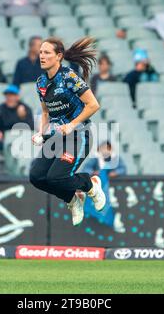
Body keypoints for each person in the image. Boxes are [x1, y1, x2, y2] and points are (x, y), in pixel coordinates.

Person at [29, 37, 107, 227]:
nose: (42, 56)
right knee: (37, 177)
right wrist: (40, 132)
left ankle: (90, 184)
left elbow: (93, 105)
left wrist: (72, 124)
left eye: (47, 52)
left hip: (79, 135)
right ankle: (73, 200)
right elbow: (46, 111)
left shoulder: (69, 76)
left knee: (56, 177)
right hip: (57, 137)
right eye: (41, 52)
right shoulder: (40, 82)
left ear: (59, 56)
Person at [0, 84, 34, 176]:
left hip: (20, 141)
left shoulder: (25, 109)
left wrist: (22, 117)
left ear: (17, 97)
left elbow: (31, 128)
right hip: (3, 140)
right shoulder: (0, 109)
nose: (9, 97)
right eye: (8, 95)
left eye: (12, 95)